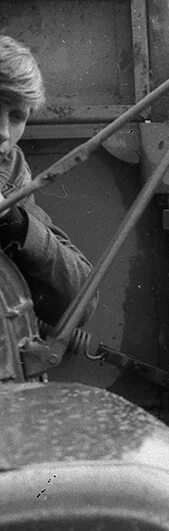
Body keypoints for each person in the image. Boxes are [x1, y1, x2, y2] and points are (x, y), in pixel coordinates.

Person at [0, 34, 95, 381]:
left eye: (16, 116)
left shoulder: (10, 172)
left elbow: (81, 300)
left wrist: (15, 223)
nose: (2, 133)